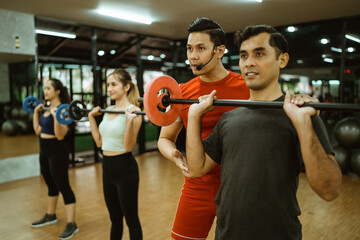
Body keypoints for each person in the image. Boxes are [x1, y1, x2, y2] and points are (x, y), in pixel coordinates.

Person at [186, 25, 342, 239]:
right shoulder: (229, 118)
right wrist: (194, 117)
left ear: (282, 60)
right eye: (243, 55)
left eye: (259, 53)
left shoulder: (301, 114)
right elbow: (196, 168)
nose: (249, 62)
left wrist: (303, 124)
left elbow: (329, 190)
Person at [157, 17, 250, 240]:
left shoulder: (246, 88)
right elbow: (165, 138)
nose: (192, 56)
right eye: (189, 48)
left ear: (220, 51)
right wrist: (174, 155)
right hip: (197, 185)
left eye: (200, 48)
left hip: (237, 186)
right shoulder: (182, 92)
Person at [88, 68, 143, 240]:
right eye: (108, 85)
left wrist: (128, 122)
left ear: (126, 87)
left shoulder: (134, 112)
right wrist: (91, 118)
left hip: (125, 169)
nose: (109, 89)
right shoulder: (108, 109)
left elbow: (128, 146)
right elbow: (99, 143)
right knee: (115, 219)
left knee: (131, 219)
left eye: (113, 84)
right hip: (107, 169)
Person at [31, 79, 78, 240]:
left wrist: (56, 117)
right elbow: (37, 130)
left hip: (57, 152)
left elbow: (60, 135)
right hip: (44, 151)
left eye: (48, 88)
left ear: (57, 91)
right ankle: (51, 215)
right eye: (45, 88)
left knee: (63, 185)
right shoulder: (45, 108)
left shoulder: (62, 111)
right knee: (50, 184)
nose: (45, 91)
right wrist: (36, 113)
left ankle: (72, 223)